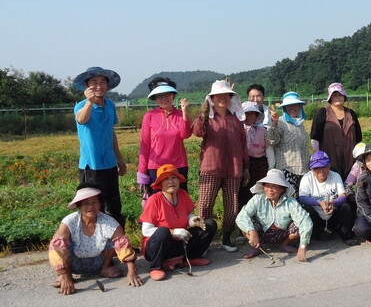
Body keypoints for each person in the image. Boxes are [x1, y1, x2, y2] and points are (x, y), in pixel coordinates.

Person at [48, 184, 143, 295]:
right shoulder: (69, 221)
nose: (90, 206)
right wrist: (63, 274)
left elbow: (122, 244)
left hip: (98, 262)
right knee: (62, 241)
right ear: (79, 206)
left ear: (99, 204)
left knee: (113, 240)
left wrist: (132, 272)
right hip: (74, 264)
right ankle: (66, 275)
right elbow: (56, 247)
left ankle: (105, 268)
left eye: (94, 202)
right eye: (86, 203)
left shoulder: (109, 222)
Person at [191, 79, 249, 252]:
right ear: (212, 98)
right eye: (218, 96)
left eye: (226, 95)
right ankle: (203, 239)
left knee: (232, 205)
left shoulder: (236, 119)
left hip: (234, 167)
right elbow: (197, 132)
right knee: (205, 205)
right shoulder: (207, 118)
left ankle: (226, 238)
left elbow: (243, 143)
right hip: (211, 167)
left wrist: (245, 167)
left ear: (231, 98)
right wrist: (202, 115)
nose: (223, 98)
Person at [138, 164, 217, 281]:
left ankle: (191, 257)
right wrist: (173, 232)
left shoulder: (183, 194)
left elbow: (188, 216)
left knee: (210, 224)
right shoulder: (154, 200)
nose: (171, 181)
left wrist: (193, 221)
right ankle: (155, 267)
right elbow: (146, 230)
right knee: (163, 231)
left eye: (174, 177)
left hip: (180, 242)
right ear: (160, 183)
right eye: (166, 179)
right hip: (159, 247)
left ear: (179, 180)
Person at [73, 66, 126, 228]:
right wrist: (89, 103)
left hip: (109, 164)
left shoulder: (110, 105)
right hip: (91, 166)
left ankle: (118, 244)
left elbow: (111, 133)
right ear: (86, 86)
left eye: (103, 82)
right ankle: (95, 245)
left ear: (108, 86)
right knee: (94, 207)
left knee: (114, 205)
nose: (99, 85)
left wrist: (119, 159)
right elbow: (81, 119)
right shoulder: (81, 106)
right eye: (94, 82)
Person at [236, 169, 313, 261]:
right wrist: (252, 231)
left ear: (282, 188)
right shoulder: (258, 198)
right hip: (261, 233)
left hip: (283, 233)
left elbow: (305, 220)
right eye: (267, 186)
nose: (270, 190)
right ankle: (257, 247)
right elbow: (242, 216)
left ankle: (284, 244)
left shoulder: (290, 202)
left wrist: (303, 246)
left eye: (274, 186)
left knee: (300, 225)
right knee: (245, 225)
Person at [137, 77, 192, 207]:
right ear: (155, 99)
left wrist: (184, 113)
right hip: (155, 167)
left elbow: (185, 134)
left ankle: (180, 224)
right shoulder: (149, 116)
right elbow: (144, 145)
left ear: (173, 95)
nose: (163, 98)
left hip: (178, 165)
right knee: (157, 200)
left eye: (167, 94)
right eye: (159, 96)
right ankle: (158, 226)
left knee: (179, 199)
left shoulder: (180, 114)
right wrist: (142, 171)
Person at [298, 150, 357, 246]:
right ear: (312, 170)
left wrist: (333, 203)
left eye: (324, 167)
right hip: (316, 214)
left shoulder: (335, 176)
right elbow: (302, 198)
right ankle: (315, 232)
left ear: (329, 166)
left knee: (345, 207)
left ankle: (346, 235)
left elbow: (343, 196)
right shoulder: (306, 178)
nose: (321, 171)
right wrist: (319, 203)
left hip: (333, 211)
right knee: (305, 208)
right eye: (317, 168)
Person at [311, 82, 362, 181]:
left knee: (350, 183)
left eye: (340, 94)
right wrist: (318, 159)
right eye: (334, 95)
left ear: (344, 96)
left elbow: (358, 138)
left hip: (349, 158)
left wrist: (359, 161)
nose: (337, 97)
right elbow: (315, 137)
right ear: (330, 97)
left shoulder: (351, 113)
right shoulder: (323, 113)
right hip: (329, 158)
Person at [268, 91, 311, 195]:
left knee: (302, 201)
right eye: (289, 105)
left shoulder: (300, 124)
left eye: (295, 105)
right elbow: (273, 140)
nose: (292, 107)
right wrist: (274, 124)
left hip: (304, 171)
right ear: (284, 108)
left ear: (300, 106)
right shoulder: (280, 122)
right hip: (287, 170)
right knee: (287, 201)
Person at [239, 101, 272, 209]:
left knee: (257, 190)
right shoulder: (238, 130)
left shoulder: (262, 130)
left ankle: (258, 214)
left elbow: (268, 150)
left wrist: (271, 169)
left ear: (257, 116)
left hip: (258, 164)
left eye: (252, 114)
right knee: (242, 190)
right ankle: (242, 215)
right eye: (246, 114)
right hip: (242, 163)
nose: (249, 116)